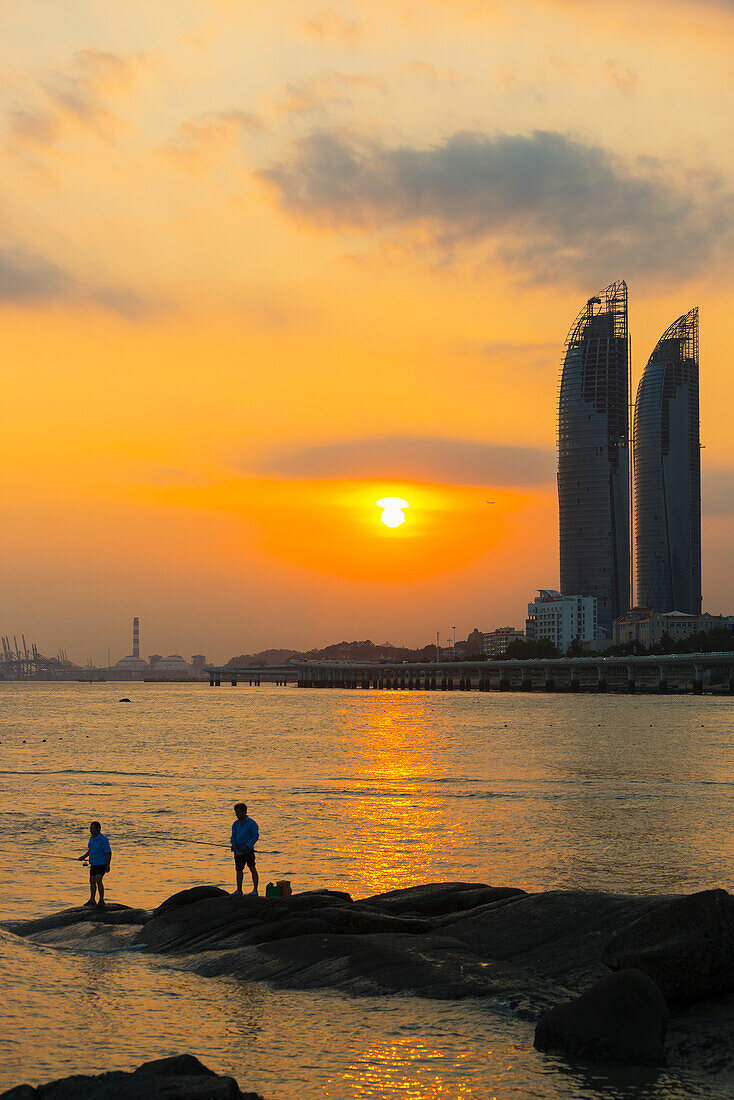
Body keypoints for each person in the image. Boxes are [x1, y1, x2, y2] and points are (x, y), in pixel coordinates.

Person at [77, 820, 112, 908]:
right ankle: (92, 900)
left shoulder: (103, 839)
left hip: (101, 864)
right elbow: (90, 850)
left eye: (92, 828)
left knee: (98, 880)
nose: (90, 830)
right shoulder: (91, 838)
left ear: (98, 829)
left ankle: (101, 900)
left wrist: (108, 865)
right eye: (90, 828)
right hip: (94, 864)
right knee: (92, 881)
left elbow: (109, 852)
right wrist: (83, 856)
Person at [230, 802, 259, 896]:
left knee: (252, 868)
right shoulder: (235, 824)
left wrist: (247, 846)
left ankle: (255, 890)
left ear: (244, 812)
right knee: (239, 870)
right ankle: (239, 890)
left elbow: (255, 836)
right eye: (236, 812)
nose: (237, 815)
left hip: (248, 851)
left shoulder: (252, 823)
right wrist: (234, 845)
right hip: (238, 851)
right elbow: (233, 836)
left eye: (238, 812)